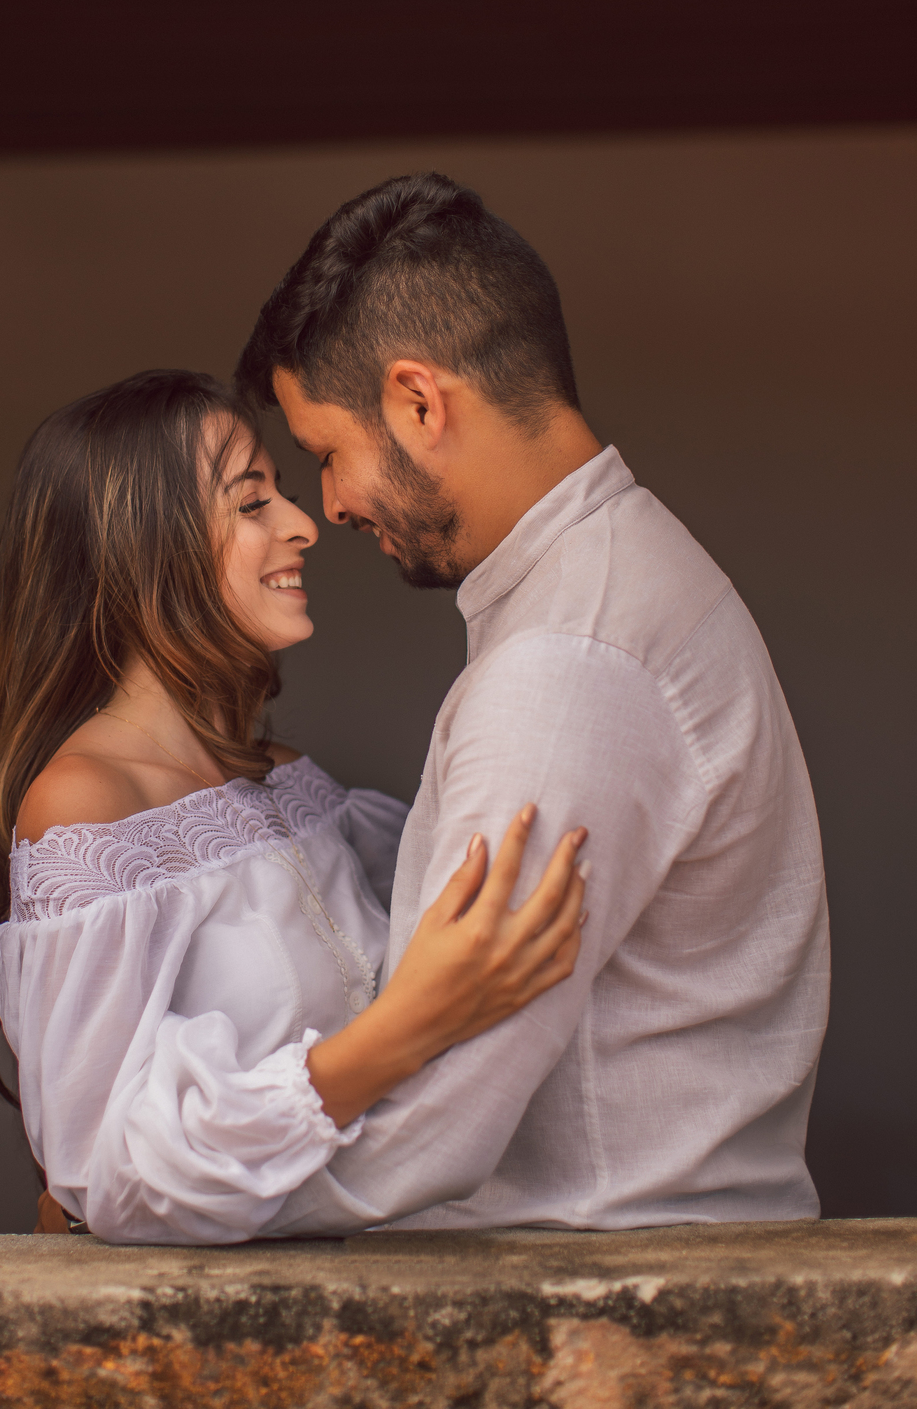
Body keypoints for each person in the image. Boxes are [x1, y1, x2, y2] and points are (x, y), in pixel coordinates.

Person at [234, 170, 830, 1234]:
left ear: (420, 402)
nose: (326, 505)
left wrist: (161, 1181)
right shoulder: (617, 583)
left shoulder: (567, 665)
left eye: (327, 453)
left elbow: (429, 1125)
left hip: (605, 1320)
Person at [0, 368, 588, 1243]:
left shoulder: (292, 785)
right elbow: (102, 1171)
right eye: (251, 503)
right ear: (143, 546)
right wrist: (403, 1032)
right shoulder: (86, 805)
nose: (304, 525)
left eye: (283, 496)